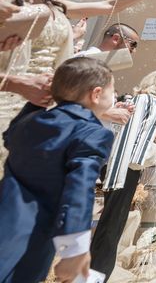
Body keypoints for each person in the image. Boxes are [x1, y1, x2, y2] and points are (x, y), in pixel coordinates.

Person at [0, 0, 156, 174]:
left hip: (46, 108)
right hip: (10, 99)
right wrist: (15, 82)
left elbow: (107, 5)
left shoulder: (56, 5)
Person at [0, 57, 115, 283]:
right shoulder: (92, 133)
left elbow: (9, 136)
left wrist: (35, 103)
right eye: (114, 90)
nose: (115, 95)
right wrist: (75, 250)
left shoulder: (31, 120)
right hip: (33, 236)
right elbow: (80, 189)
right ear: (96, 94)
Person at [90, 70, 156, 280]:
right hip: (125, 168)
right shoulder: (149, 100)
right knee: (112, 224)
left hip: (126, 168)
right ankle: (97, 274)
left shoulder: (146, 101)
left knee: (112, 222)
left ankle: (96, 271)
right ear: (155, 82)